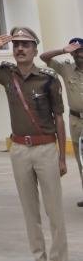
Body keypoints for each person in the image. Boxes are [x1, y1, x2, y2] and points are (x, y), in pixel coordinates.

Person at [0, 26, 70, 261]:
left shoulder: (48, 79)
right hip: (20, 149)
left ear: (35, 49)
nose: (20, 49)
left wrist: (61, 157)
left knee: (54, 212)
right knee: (30, 211)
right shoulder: (6, 74)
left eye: (26, 44)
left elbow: (59, 117)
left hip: (46, 148)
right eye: (16, 45)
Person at [40, 37, 83, 207]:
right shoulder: (66, 68)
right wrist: (63, 50)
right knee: (81, 160)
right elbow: (44, 57)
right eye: (75, 52)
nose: (79, 54)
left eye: (81, 51)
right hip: (76, 121)